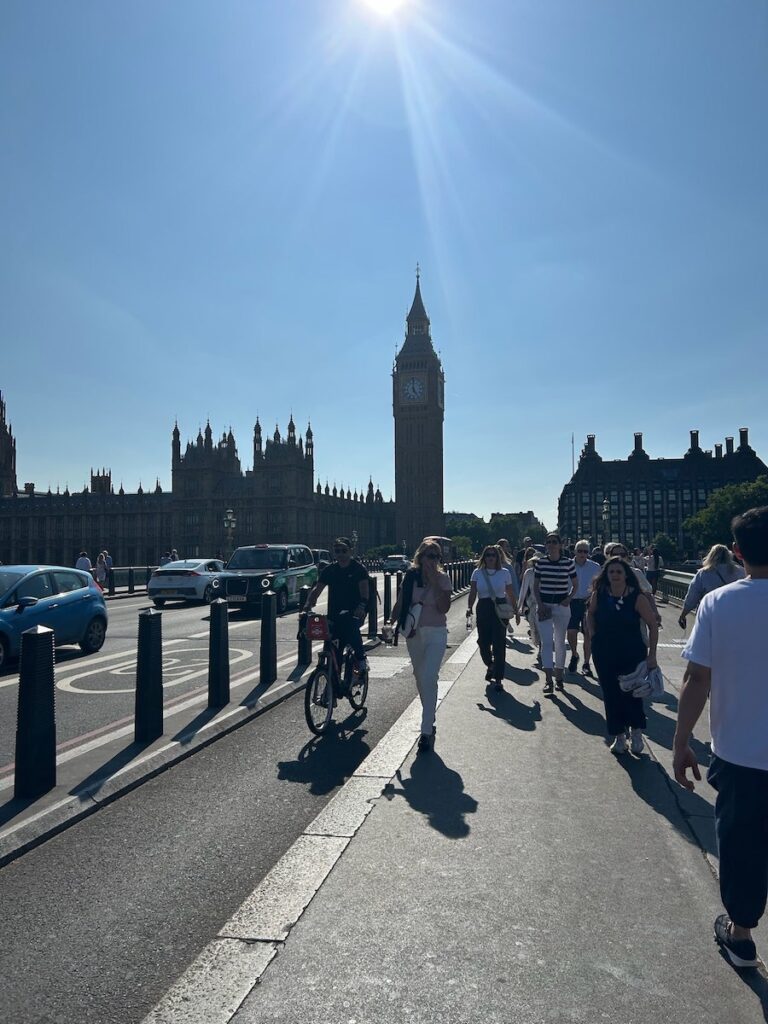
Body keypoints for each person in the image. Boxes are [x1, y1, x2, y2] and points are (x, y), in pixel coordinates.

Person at [673, 507, 768, 969]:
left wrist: (680, 741)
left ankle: (741, 934)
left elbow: (696, 680)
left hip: (740, 753)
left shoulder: (719, 602)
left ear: (737, 552)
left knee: (741, 844)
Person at [587, 556, 659, 754]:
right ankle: (619, 736)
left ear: (626, 574)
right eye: (611, 572)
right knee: (610, 694)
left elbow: (652, 624)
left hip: (632, 652)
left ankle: (636, 732)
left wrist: (652, 654)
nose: (615, 575)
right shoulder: (599, 595)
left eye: (619, 572)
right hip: (604, 651)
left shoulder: (636, 597)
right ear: (606, 575)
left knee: (631, 692)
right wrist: (593, 635)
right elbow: (590, 613)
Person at [391, 538, 452, 753]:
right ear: (420, 556)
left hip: (436, 632)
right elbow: (400, 602)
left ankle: (426, 730)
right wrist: (390, 623)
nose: (431, 559)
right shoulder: (410, 576)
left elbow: (444, 608)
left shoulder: (443, 579)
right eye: (428, 555)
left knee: (429, 677)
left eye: (435, 556)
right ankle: (430, 710)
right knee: (419, 675)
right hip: (414, 632)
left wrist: (434, 582)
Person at [303, 537, 369, 671]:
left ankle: (361, 658)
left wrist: (361, 607)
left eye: (344, 550)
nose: (341, 554)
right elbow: (317, 589)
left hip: (354, 611)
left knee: (352, 631)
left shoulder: (358, 569)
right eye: (337, 551)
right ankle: (332, 683)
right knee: (332, 644)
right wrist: (307, 605)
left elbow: (365, 593)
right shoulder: (329, 570)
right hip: (334, 612)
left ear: (350, 551)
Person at [467, 545, 517, 691]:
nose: (490, 558)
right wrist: (469, 608)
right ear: (484, 557)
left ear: (497, 558)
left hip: (500, 607)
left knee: (499, 643)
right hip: (483, 606)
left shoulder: (505, 573)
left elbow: (510, 592)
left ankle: (498, 678)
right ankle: (490, 664)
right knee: (483, 641)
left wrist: (516, 610)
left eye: (493, 555)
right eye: (488, 555)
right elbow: (473, 592)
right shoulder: (477, 573)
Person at [533, 533, 577, 695]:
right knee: (546, 643)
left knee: (559, 641)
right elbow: (536, 586)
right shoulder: (541, 563)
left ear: (560, 545)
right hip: (544, 606)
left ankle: (559, 677)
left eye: (554, 542)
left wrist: (569, 598)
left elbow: (575, 584)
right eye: (549, 542)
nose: (551, 545)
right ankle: (548, 680)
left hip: (561, 606)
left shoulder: (567, 563)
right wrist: (540, 604)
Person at [678, 544, 746, 629]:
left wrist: (683, 614)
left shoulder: (704, 573)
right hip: (734, 614)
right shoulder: (740, 571)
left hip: (710, 614)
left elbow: (692, 596)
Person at [567, 540, 600, 675]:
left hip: (588, 602)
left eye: (585, 551)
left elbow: (599, 585)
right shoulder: (568, 565)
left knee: (588, 634)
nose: (582, 554)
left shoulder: (595, 567)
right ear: (575, 552)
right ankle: (574, 654)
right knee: (571, 631)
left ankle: (586, 663)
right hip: (572, 601)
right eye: (580, 551)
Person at [516, 547, 541, 665]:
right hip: (532, 603)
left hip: (544, 604)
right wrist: (519, 606)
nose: (537, 564)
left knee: (543, 628)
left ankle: (542, 649)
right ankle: (538, 645)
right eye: (535, 562)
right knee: (533, 627)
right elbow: (524, 589)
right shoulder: (529, 573)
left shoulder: (546, 572)